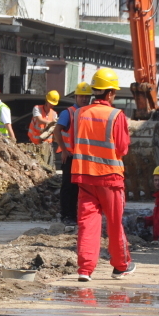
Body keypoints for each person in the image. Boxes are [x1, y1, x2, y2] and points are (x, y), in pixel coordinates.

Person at [70, 68, 135, 281]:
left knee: (87, 223)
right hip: (110, 178)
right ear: (108, 94)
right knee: (115, 223)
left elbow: (72, 144)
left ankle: (85, 269)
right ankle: (120, 266)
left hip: (84, 178)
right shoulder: (116, 116)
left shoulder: (79, 113)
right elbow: (123, 148)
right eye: (114, 92)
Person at [56, 82, 92, 225]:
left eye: (87, 97)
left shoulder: (89, 113)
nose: (84, 99)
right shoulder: (68, 113)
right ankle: (67, 215)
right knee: (68, 187)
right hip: (70, 156)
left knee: (81, 188)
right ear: (76, 96)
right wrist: (64, 150)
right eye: (82, 96)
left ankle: (76, 215)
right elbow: (57, 131)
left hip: (83, 157)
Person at [28, 90, 60, 170]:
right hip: (34, 144)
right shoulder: (37, 108)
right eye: (50, 103)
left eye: (53, 104)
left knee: (46, 167)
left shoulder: (54, 113)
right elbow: (39, 119)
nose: (52, 105)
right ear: (46, 100)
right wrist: (51, 122)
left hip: (47, 146)